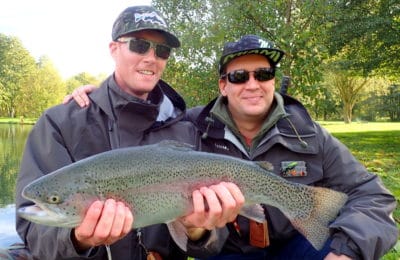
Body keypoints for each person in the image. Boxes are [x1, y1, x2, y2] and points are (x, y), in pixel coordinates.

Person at [67, 34, 398, 259]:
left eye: (263, 74)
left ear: (273, 80)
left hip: (295, 247)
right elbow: (142, 119)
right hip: (225, 252)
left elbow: (374, 197)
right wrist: (103, 98)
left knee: (331, 242)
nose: (253, 85)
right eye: (240, 77)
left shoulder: (308, 134)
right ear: (223, 85)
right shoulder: (190, 128)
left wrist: (346, 251)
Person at [15, 6, 244, 260]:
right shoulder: (61, 123)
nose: (151, 57)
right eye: (138, 45)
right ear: (114, 49)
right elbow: (33, 234)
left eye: (162, 50)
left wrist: (198, 230)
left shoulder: (187, 131)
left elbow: (215, 243)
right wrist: (77, 239)